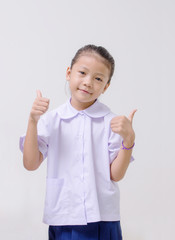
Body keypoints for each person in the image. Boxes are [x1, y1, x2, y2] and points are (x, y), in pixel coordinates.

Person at [19, 44, 136, 240]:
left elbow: (115, 174)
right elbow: (30, 164)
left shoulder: (112, 122)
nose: (88, 82)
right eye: (82, 72)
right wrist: (32, 120)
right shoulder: (52, 120)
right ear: (68, 73)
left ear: (106, 86)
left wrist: (129, 139)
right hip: (64, 215)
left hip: (103, 217)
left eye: (98, 78)